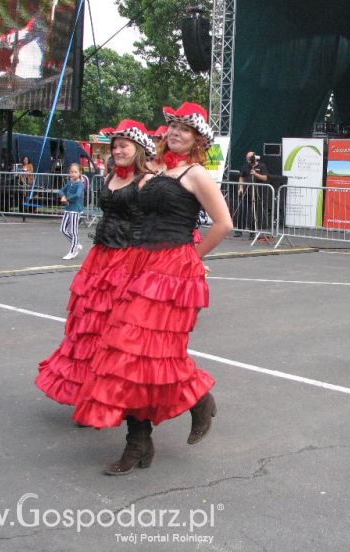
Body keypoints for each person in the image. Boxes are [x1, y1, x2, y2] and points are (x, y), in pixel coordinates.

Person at [72, 102, 233, 475]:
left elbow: (223, 223)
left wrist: (193, 255)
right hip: (139, 263)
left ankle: (197, 399)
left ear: (197, 141)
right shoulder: (155, 170)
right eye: (172, 127)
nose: (175, 133)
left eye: (184, 130)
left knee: (151, 352)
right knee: (128, 357)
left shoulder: (197, 175)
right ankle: (139, 442)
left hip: (173, 271)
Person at [36, 120, 153, 407]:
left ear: (137, 148)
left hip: (130, 258)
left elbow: (162, 219)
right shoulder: (111, 176)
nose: (118, 150)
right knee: (90, 326)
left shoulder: (148, 179)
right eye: (115, 146)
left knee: (118, 329)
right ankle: (88, 391)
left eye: (124, 145)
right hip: (101, 257)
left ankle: (117, 394)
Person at [234, 150, 269, 236]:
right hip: (246, 192)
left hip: (257, 192)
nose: (248, 160)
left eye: (249, 158)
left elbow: (265, 178)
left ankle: (252, 231)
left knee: (253, 212)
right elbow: (241, 177)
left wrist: (255, 174)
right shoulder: (245, 167)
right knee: (242, 210)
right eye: (247, 158)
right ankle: (239, 229)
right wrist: (240, 187)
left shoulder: (262, 166)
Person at [58, 163, 84, 260]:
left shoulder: (80, 184)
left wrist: (67, 198)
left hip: (75, 210)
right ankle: (76, 244)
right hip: (68, 209)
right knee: (63, 229)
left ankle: (73, 251)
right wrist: (63, 196)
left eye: (75, 172)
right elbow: (61, 190)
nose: (73, 174)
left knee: (73, 231)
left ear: (80, 173)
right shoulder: (70, 182)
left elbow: (77, 195)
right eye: (71, 172)